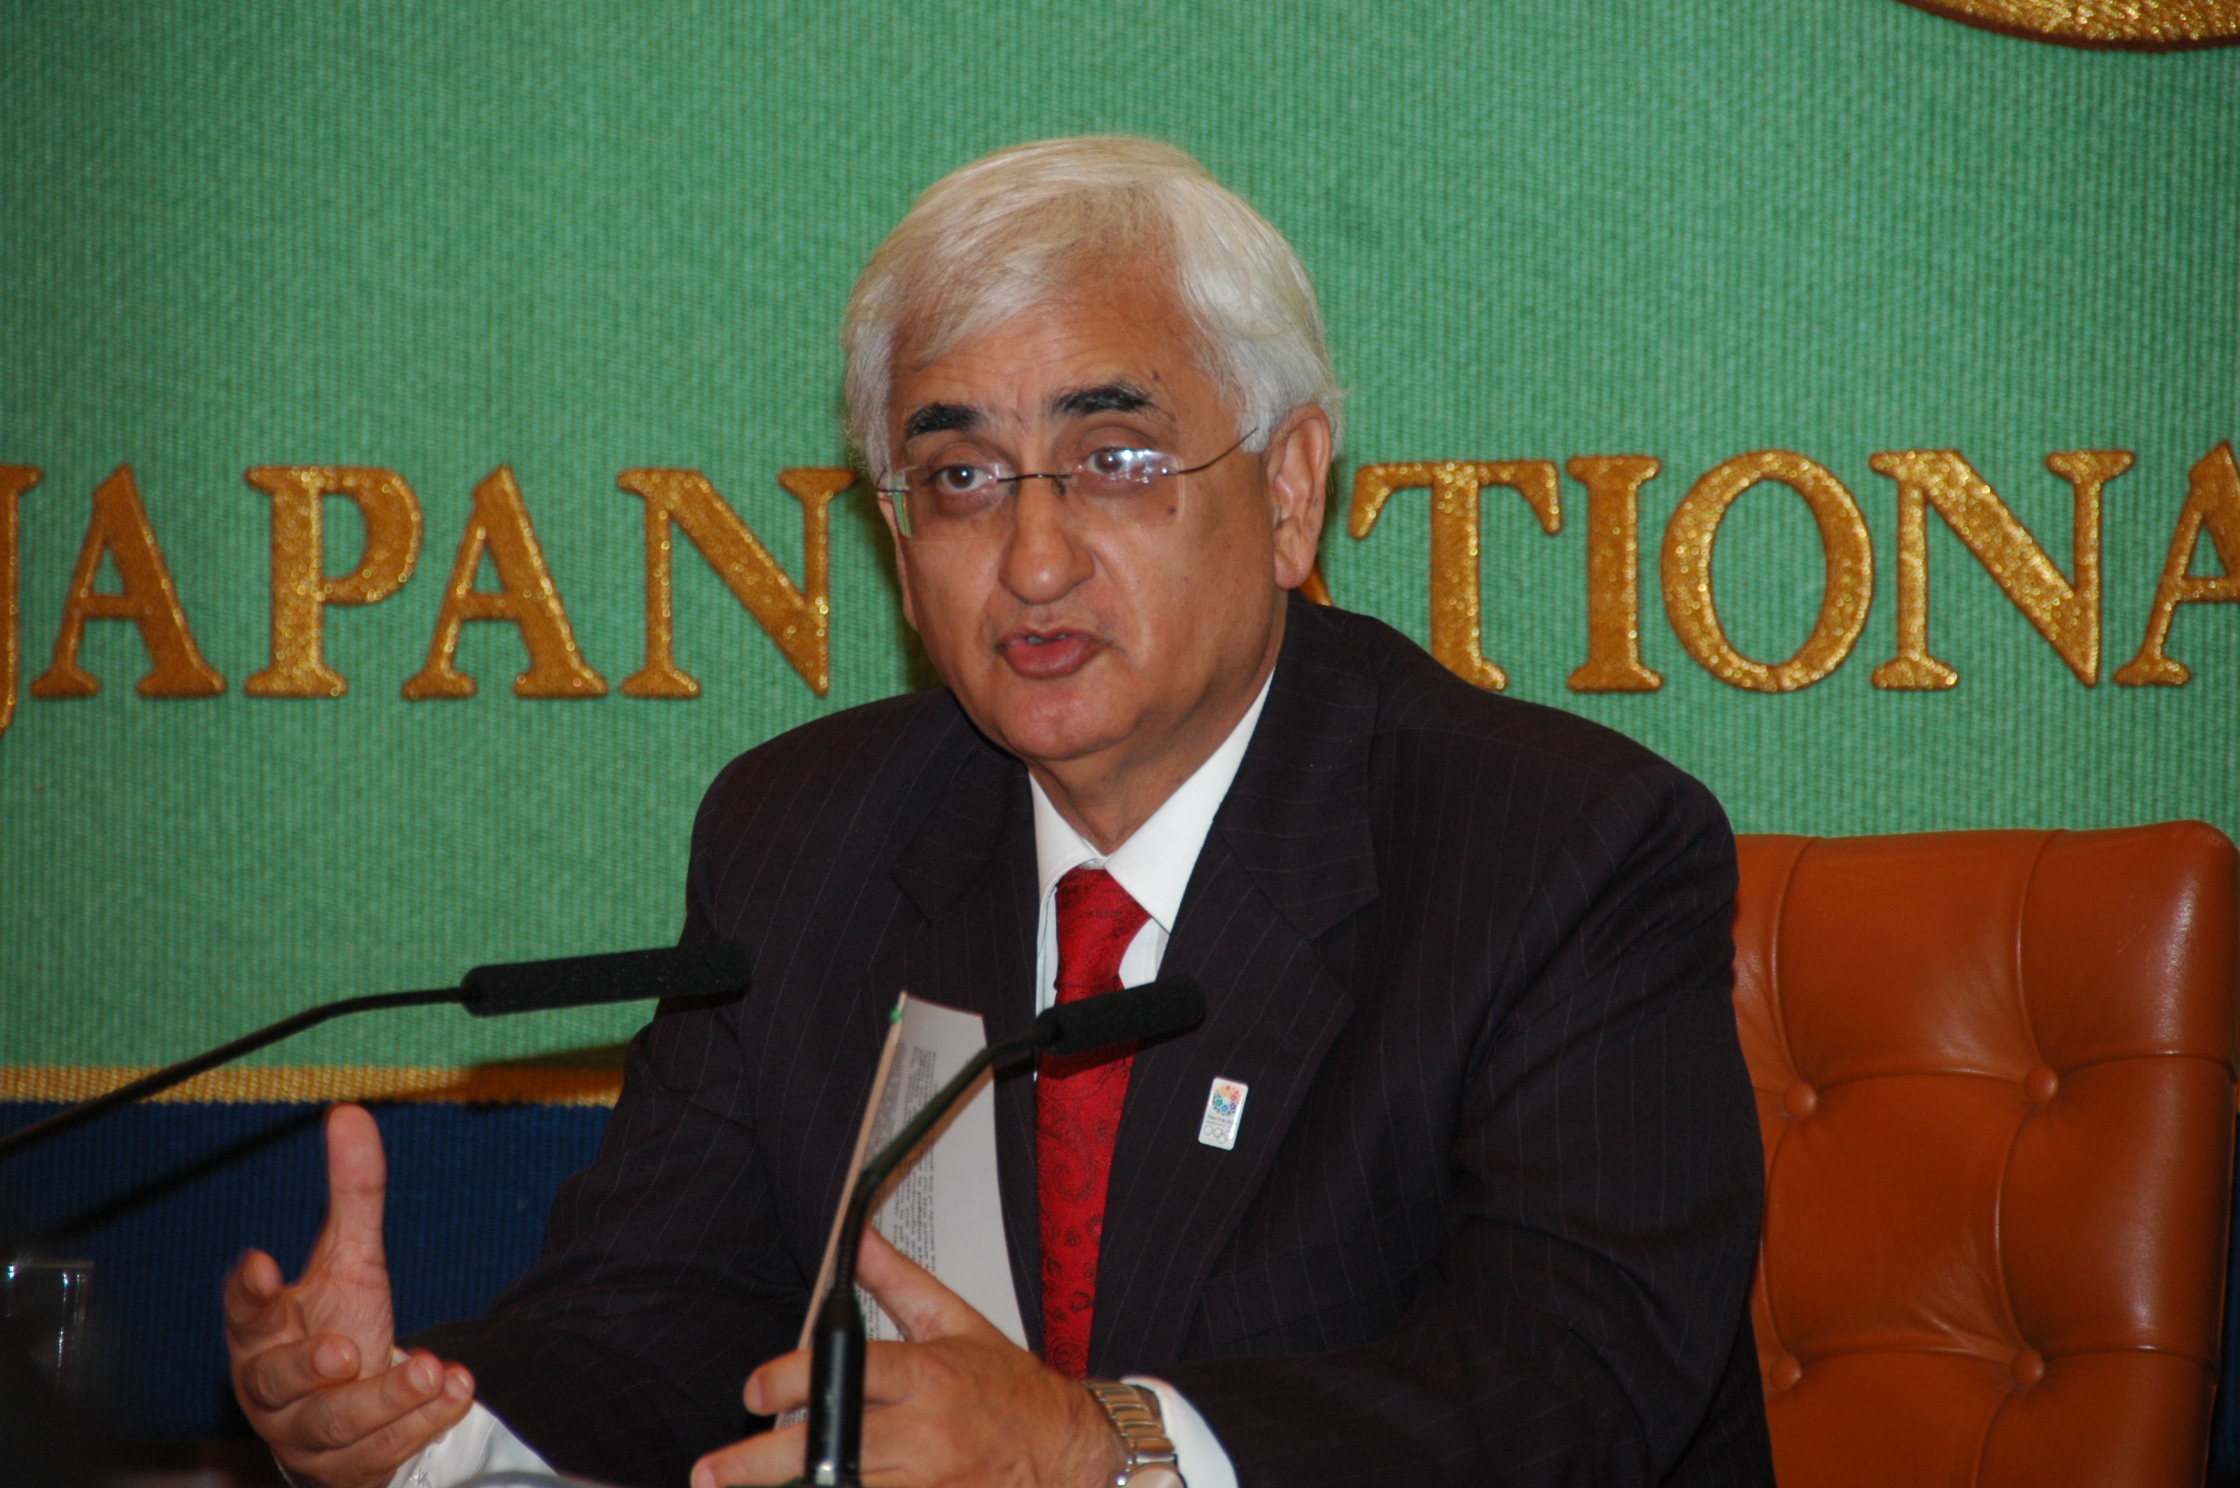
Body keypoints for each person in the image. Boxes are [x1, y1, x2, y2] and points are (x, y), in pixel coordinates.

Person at [224, 136, 1772, 1488]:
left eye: (1114, 459)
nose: (1033, 561)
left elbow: (1573, 1384)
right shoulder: (806, 838)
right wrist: (428, 1423)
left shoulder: (1558, 848)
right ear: (900, 545)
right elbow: (670, 1311)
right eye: (961, 477)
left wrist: (1099, 1448)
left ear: (1292, 490)